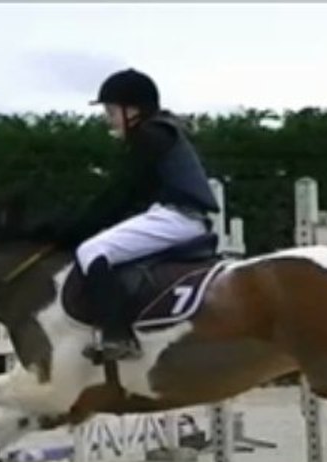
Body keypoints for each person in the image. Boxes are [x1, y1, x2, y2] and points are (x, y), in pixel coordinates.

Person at [55, 68, 221, 362]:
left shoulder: (149, 135)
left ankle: (117, 336)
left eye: (110, 110)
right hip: (177, 215)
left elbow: (120, 194)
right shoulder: (160, 132)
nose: (109, 118)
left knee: (92, 250)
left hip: (176, 217)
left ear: (131, 109)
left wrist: (74, 229)